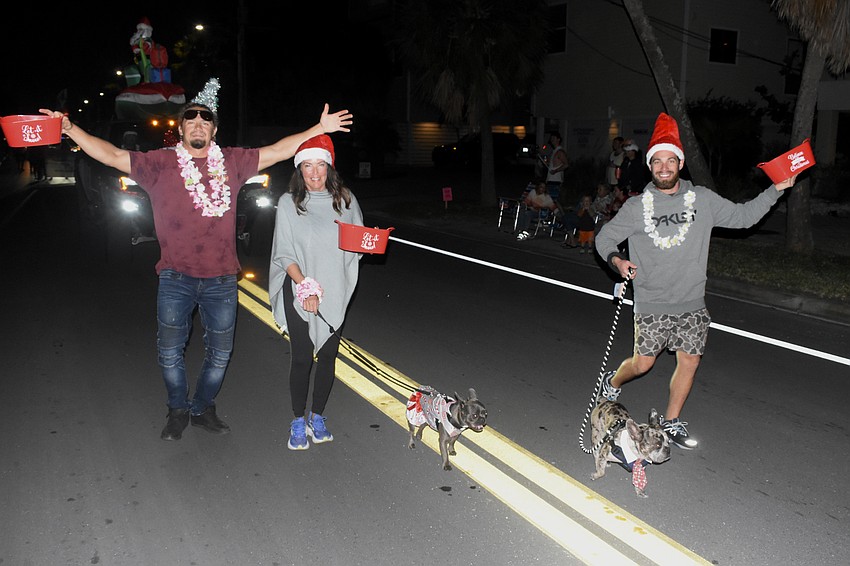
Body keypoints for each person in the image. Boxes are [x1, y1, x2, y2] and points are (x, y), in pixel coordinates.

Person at [39, 79, 354, 442]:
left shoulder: (233, 162)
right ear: (181, 127)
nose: (198, 123)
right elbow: (109, 155)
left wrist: (319, 129)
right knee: (170, 352)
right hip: (175, 277)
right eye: (191, 118)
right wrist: (70, 128)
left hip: (222, 279)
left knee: (220, 356)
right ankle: (177, 409)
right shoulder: (158, 164)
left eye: (206, 119)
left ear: (214, 129)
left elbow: (279, 150)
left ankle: (202, 406)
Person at [595, 112, 797, 450]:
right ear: (650, 165)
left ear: (679, 163)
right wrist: (618, 261)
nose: (663, 167)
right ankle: (613, 381)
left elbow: (744, 217)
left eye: (669, 160)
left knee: (689, 362)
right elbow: (604, 238)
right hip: (652, 302)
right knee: (643, 364)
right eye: (656, 161)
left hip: (692, 303)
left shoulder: (703, 199)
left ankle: (671, 421)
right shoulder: (636, 207)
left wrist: (776, 189)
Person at [268, 134, 363, 450]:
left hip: (334, 290)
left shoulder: (346, 200)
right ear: (299, 169)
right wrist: (304, 286)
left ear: (329, 167)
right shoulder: (288, 203)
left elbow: (356, 245)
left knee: (328, 357)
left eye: (319, 165)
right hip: (298, 288)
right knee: (302, 359)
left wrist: (370, 243)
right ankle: (297, 420)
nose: (313, 173)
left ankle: (317, 415)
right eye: (306, 165)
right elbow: (284, 252)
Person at [543, 131, 569, 203]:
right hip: (550, 180)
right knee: (549, 201)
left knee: (553, 201)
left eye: (554, 138)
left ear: (558, 139)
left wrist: (556, 171)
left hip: (556, 181)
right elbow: (552, 165)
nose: (552, 140)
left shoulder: (560, 152)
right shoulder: (554, 151)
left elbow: (566, 164)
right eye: (551, 139)